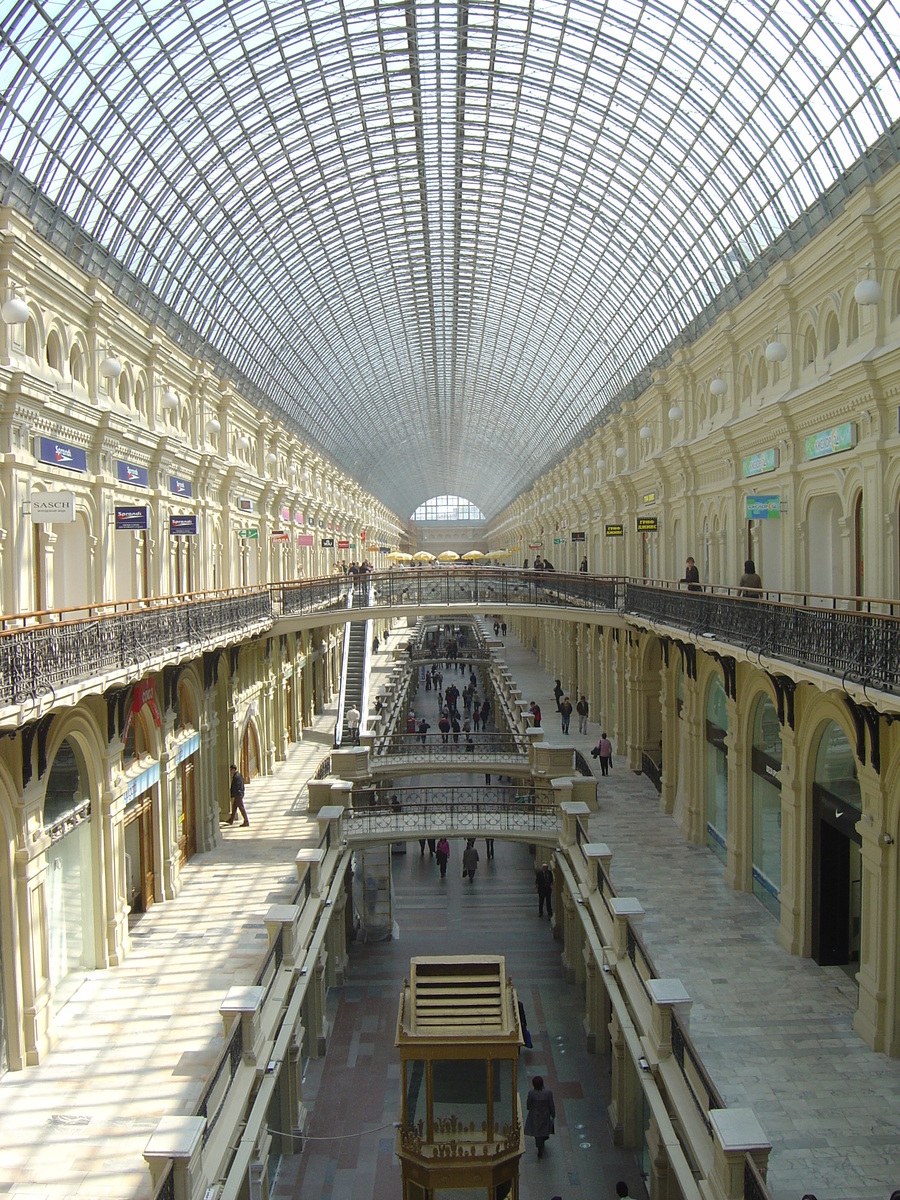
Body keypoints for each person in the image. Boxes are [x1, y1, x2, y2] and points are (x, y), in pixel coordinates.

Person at [524, 1075, 555, 1157]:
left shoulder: (531, 1093)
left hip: (535, 1114)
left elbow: (528, 1104)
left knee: (537, 1131)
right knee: (545, 1128)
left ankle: (539, 1145)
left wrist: (529, 1107)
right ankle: (544, 1138)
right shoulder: (548, 1093)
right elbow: (551, 1104)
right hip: (545, 1114)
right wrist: (553, 1114)